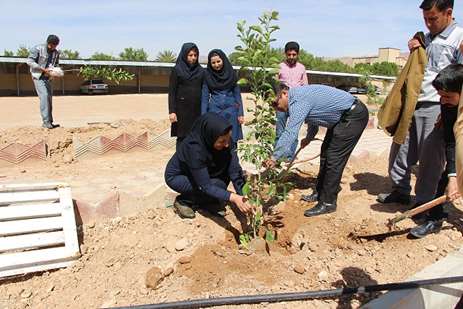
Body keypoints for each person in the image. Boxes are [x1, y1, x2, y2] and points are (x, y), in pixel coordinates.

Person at [377, 0, 463, 207]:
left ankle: (424, 202)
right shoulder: (425, 37)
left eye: (432, 18)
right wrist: (417, 41)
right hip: (413, 102)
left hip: (436, 105)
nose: (428, 24)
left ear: (448, 13)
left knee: (430, 158)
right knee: (400, 149)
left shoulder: (458, 37)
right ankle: (400, 190)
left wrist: (451, 110)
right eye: (425, 19)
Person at [265, 84, 368, 217]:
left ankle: (328, 203)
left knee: (334, 158)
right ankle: (320, 192)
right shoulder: (299, 98)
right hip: (343, 118)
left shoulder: (298, 100)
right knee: (325, 152)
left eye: (275, 102)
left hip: (353, 116)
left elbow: (290, 132)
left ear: (284, 93)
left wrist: (274, 157)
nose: (276, 107)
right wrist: (309, 137)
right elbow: (314, 118)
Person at [164, 113, 252, 219]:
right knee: (211, 186)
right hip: (179, 176)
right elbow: (205, 186)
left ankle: (207, 201)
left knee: (220, 184)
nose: (227, 144)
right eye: (222, 141)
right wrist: (234, 198)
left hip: (205, 172)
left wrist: (244, 195)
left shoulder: (226, 139)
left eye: (228, 139)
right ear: (210, 136)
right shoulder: (194, 148)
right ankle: (184, 200)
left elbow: (234, 170)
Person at [410, 64, 463, 238]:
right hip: (458, 138)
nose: (443, 101)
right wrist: (453, 176)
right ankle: (435, 218)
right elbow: (451, 141)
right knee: (445, 179)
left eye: (448, 96)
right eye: (440, 96)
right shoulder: (448, 106)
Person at [201, 49, 244, 144]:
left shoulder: (231, 74)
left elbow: (237, 95)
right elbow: (204, 98)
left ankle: (233, 159)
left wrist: (240, 113)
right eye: (213, 63)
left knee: (232, 142)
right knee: (217, 141)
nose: (216, 65)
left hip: (231, 112)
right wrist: (203, 117)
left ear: (223, 60)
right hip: (215, 113)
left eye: (218, 61)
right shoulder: (207, 76)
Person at [168, 42, 204, 149]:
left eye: (195, 55)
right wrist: (172, 111)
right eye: (190, 55)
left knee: (197, 136)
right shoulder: (177, 70)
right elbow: (172, 92)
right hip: (181, 111)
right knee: (182, 137)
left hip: (197, 110)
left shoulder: (201, 71)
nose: (193, 58)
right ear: (184, 55)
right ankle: (180, 161)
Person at [276, 41, 309, 157]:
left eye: (294, 55)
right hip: (282, 103)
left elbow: (306, 87)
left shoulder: (301, 68)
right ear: (285, 54)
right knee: (280, 131)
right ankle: (277, 157)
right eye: (289, 54)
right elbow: (275, 84)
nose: (291, 57)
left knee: (293, 132)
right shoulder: (279, 67)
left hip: (296, 103)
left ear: (297, 54)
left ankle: (289, 157)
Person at [26, 34, 61, 129]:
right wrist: (42, 69)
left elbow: (56, 64)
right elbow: (29, 61)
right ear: (48, 43)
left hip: (48, 78)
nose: (54, 47)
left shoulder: (56, 53)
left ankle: (50, 121)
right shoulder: (37, 49)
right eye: (52, 45)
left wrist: (56, 72)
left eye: (56, 45)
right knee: (44, 96)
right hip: (38, 76)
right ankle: (46, 122)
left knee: (49, 99)